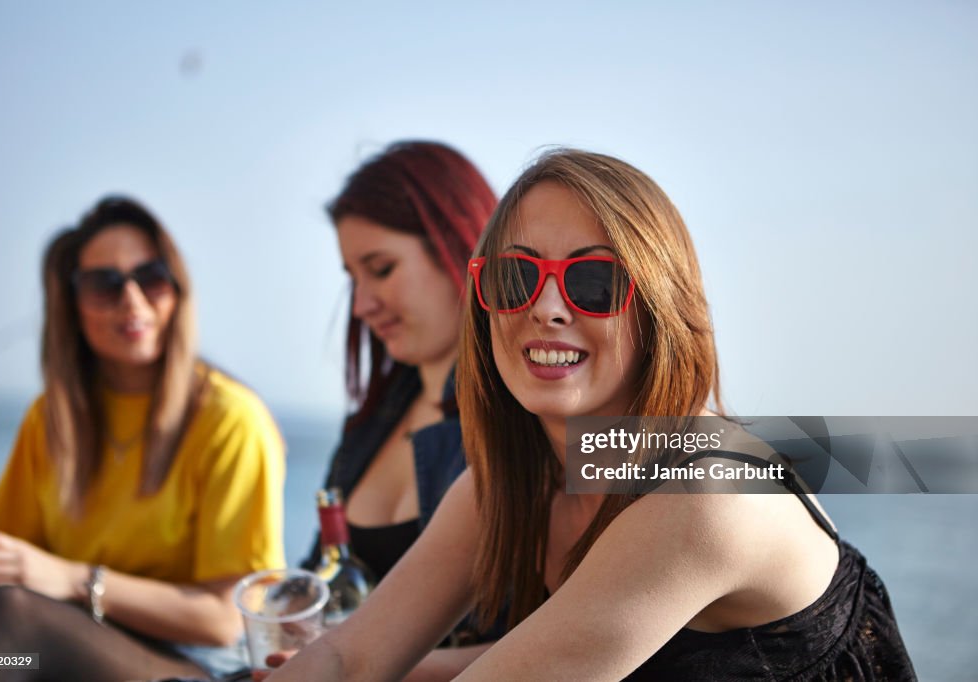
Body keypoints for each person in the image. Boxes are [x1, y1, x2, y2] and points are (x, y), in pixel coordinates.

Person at [269, 149, 917, 680]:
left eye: (594, 281)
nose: (547, 307)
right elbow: (349, 658)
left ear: (660, 310)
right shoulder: (517, 479)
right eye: (516, 276)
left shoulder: (710, 498)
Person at [0, 197, 286, 681]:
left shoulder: (231, 419)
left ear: (177, 289)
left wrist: (73, 579)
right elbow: (6, 574)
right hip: (59, 647)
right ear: (71, 302)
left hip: (196, 667)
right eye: (104, 284)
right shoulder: (50, 419)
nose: (132, 299)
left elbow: (224, 619)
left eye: (150, 277)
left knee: (12, 624)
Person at [282, 141, 498, 680]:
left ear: (460, 249)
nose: (361, 304)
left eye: (380, 269)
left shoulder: (529, 428)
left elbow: (565, 637)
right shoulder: (369, 424)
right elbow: (315, 586)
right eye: (353, 277)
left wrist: (351, 663)